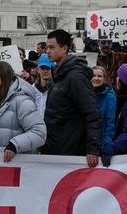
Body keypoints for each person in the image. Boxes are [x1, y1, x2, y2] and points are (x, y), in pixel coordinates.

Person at [41, 29, 102, 163]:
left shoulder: (75, 77)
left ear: (64, 49)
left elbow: (92, 113)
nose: (47, 51)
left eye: (52, 47)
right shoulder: (59, 74)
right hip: (54, 148)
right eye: (46, 47)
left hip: (69, 151)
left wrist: (92, 148)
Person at [0, 60, 46, 161]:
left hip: (13, 166)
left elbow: (39, 133)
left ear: (5, 74)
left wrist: (15, 145)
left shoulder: (22, 101)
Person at [91, 64, 119, 149]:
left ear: (104, 79)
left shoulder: (110, 97)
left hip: (100, 141)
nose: (96, 78)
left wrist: (105, 144)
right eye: (93, 76)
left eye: (99, 76)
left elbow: (110, 122)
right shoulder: (86, 93)